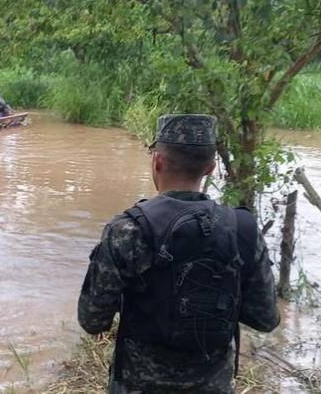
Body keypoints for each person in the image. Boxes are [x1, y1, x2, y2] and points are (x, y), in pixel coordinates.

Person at [77, 114, 280, 394]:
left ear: (157, 161)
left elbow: (92, 320)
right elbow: (266, 318)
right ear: (210, 167)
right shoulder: (242, 229)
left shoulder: (126, 229)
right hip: (213, 385)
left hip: (138, 385)